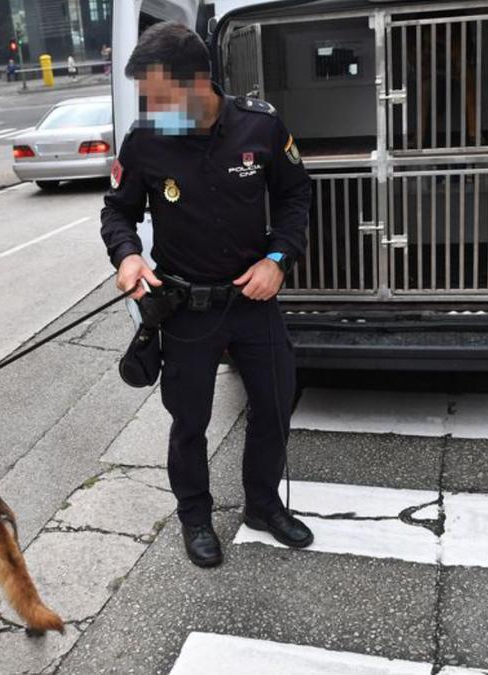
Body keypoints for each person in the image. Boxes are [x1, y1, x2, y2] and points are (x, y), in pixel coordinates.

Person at [100, 22, 313, 568]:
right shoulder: (147, 140)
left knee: (273, 405)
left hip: (253, 302)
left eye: (158, 95)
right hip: (186, 307)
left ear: (199, 82)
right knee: (189, 421)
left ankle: (263, 505)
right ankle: (195, 514)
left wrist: (278, 259)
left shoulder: (260, 127)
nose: (149, 107)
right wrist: (127, 255)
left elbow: (295, 198)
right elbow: (117, 210)